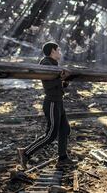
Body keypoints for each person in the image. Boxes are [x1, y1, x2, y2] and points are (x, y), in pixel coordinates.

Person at [17, 41, 74, 169]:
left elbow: (57, 84)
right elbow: (48, 84)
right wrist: (60, 78)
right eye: (58, 50)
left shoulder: (54, 64)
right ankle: (25, 153)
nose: (60, 52)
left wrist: (65, 81)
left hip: (58, 101)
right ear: (53, 51)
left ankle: (62, 158)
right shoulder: (46, 64)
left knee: (65, 129)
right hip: (52, 103)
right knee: (51, 134)